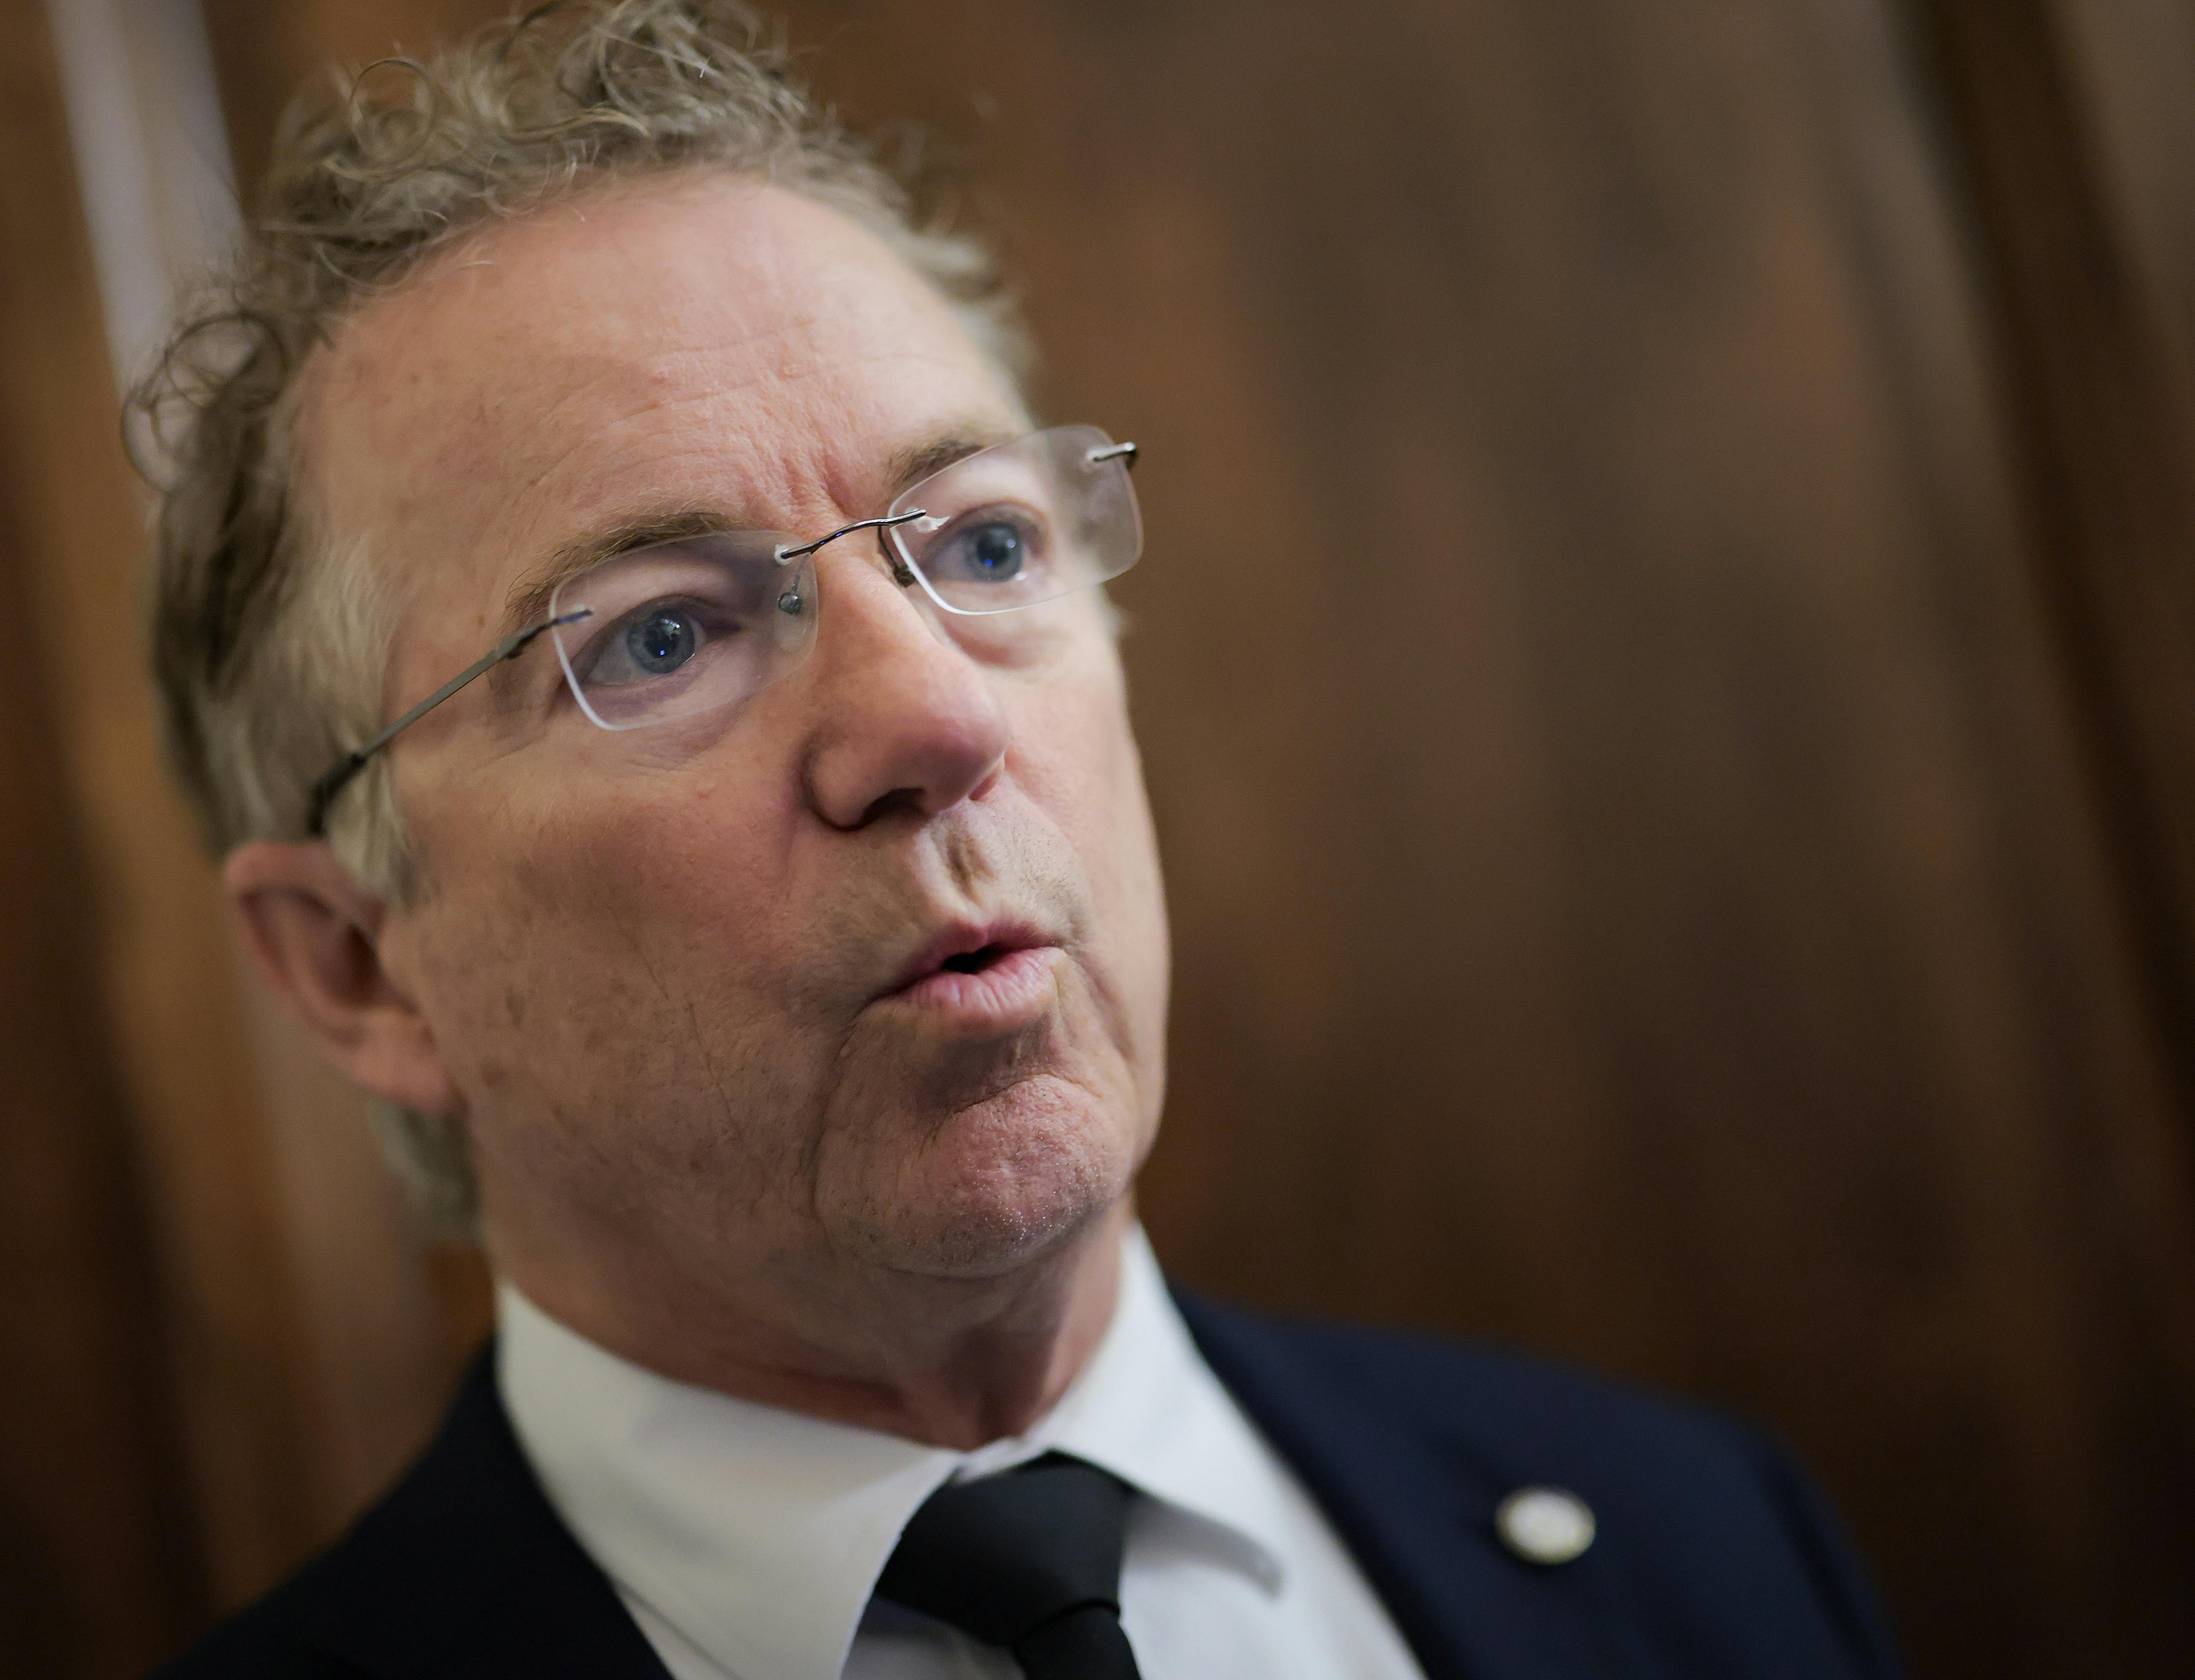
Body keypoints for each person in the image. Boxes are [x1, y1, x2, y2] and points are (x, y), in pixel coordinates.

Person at [139, 5, 1902, 1676]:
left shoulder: (1697, 1537)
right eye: (661, 634)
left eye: (981, 544)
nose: (936, 719)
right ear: (359, 967)